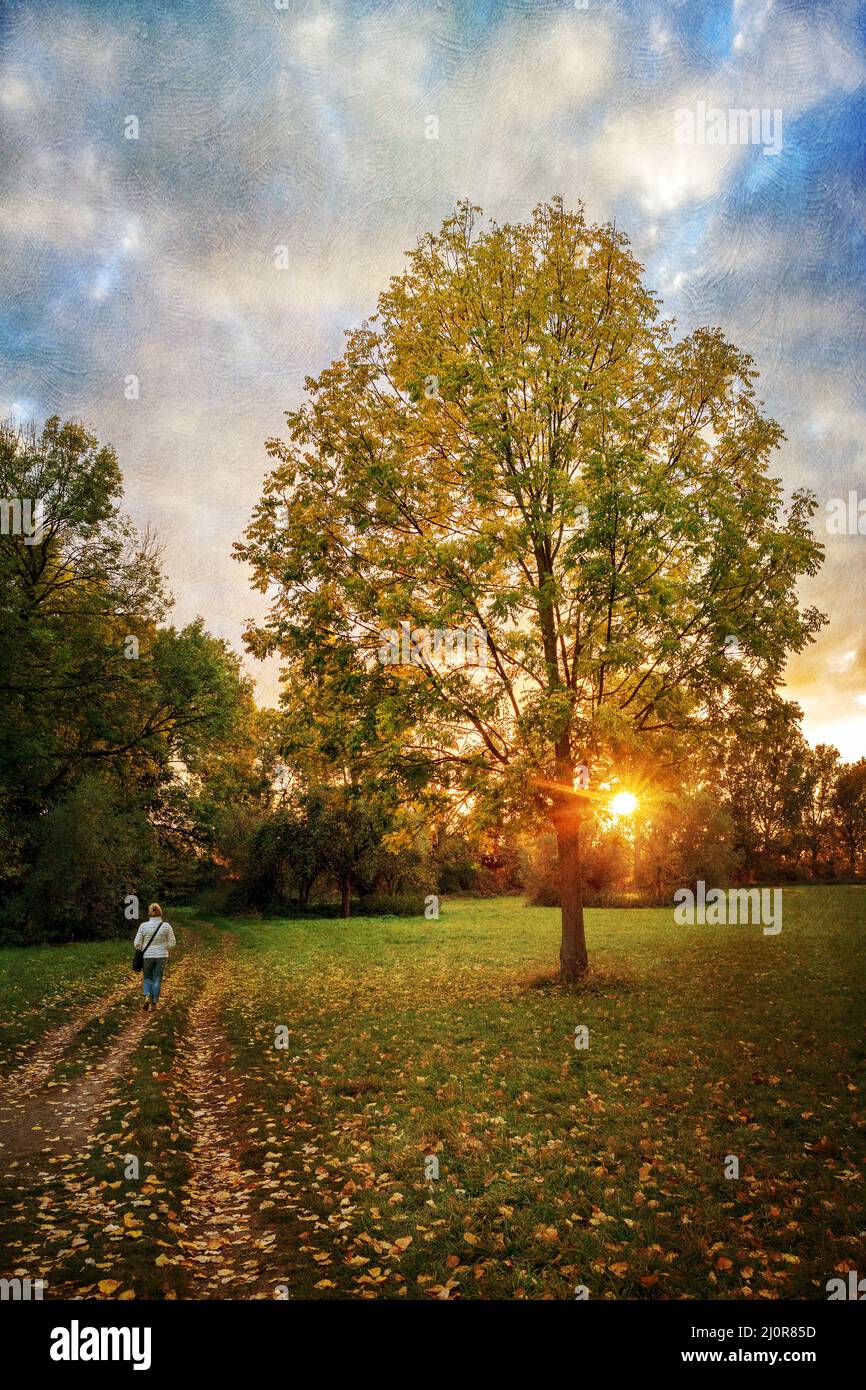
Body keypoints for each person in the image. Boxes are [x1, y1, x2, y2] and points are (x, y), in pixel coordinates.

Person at [133, 903, 176, 1012]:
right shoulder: (166, 926)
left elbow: (137, 944)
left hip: (147, 956)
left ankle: (147, 996)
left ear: (149, 913)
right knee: (157, 979)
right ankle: (154, 1004)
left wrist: (144, 948)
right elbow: (172, 943)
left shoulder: (143, 926)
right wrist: (163, 947)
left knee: (147, 977)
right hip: (162, 956)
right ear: (160, 912)